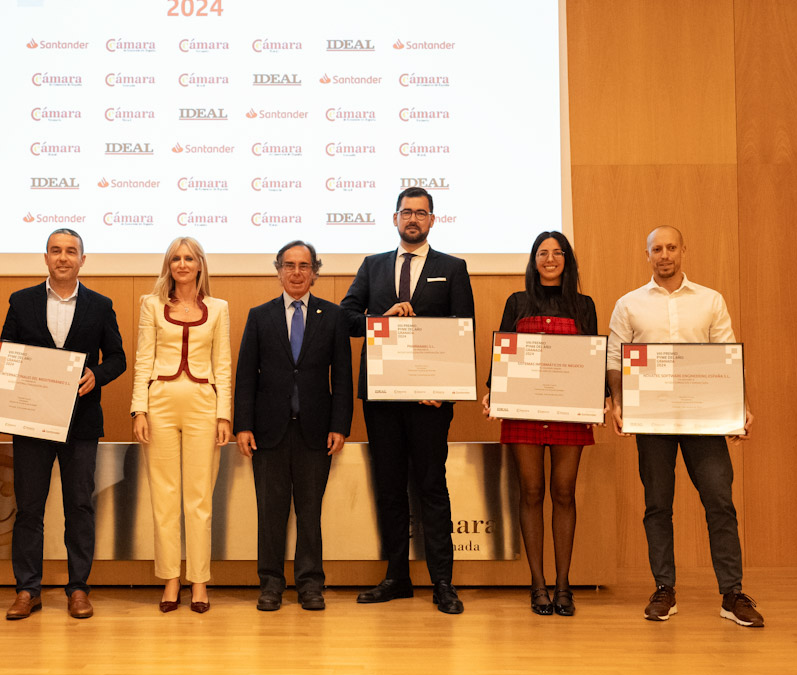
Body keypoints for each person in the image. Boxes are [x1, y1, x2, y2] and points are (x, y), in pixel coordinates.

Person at [607, 225, 763, 627]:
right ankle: (664, 589)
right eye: (656, 249)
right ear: (647, 256)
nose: (664, 255)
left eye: (671, 247)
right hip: (651, 420)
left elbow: (727, 358)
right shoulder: (629, 304)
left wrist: (739, 408)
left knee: (720, 504)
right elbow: (613, 362)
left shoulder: (710, 301)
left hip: (704, 420)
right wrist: (619, 403)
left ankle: (732, 594)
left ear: (683, 252)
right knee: (657, 506)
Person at [340, 187, 475, 614]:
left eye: (421, 213)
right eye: (406, 212)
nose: (413, 219)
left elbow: (463, 329)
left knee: (432, 487)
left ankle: (442, 583)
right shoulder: (372, 266)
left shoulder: (452, 268)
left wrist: (446, 389)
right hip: (381, 397)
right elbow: (346, 317)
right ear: (395, 218)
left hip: (430, 400)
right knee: (391, 488)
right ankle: (397, 576)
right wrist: (379, 320)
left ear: (433, 220)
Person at [2, 228, 126, 621]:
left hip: (81, 423)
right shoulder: (20, 302)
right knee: (29, 509)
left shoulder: (101, 305)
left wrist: (97, 375)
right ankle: (27, 590)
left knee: (79, 507)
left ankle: (78, 589)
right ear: (45, 257)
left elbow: (118, 358)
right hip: (31, 422)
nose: (63, 257)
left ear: (82, 260)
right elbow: (5, 357)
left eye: (71, 251)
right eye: (56, 250)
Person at [481, 232, 604, 616]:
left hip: (569, 412)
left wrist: (599, 397)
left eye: (557, 253)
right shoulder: (517, 302)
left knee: (564, 492)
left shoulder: (584, 305)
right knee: (531, 491)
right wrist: (492, 391)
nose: (550, 259)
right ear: (534, 260)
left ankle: (564, 586)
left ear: (567, 260)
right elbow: (502, 353)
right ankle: (538, 585)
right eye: (542, 253)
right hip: (524, 410)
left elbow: (591, 358)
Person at [234, 241, 353, 612]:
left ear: (315, 271)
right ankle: (270, 583)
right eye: (289, 265)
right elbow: (245, 377)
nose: (297, 272)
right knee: (270, 512)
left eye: (304, 265)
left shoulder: (332, 317)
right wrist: (243, 425)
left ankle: (309, 584)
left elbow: (343, 378)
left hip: (316, 431)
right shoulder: (259, 315)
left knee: (309, 511)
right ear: (278, 270)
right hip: (268, 431)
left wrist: (340, 425)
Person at [131, 236, 232, 614]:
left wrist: (225, 415)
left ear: (201, 264)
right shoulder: (151, 306)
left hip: (204, 405)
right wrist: (138, 410)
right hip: (159, 403)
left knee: (199, 498)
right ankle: (171, 578)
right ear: (168, 265)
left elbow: (223, 363)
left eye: (190, 258)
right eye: (176, 258)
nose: (183, 264)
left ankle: (199, 581)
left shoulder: (219, 308)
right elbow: (144, 360)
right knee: (164, 497)